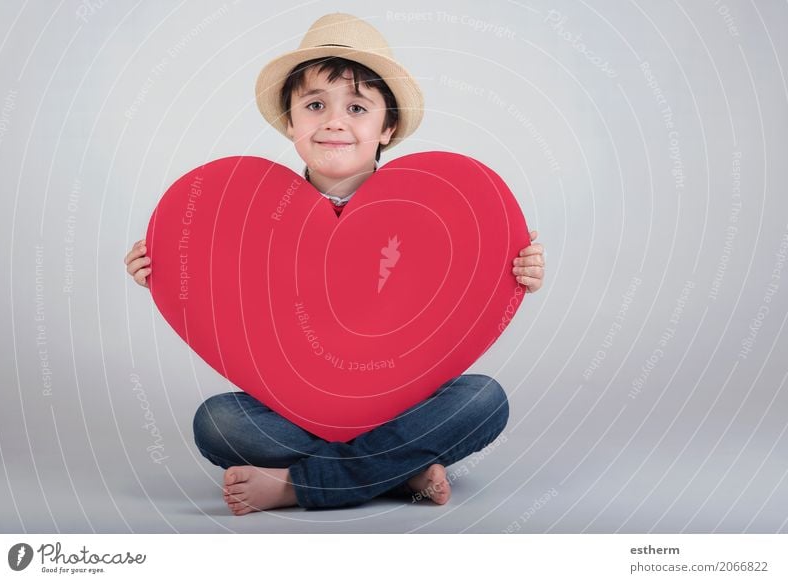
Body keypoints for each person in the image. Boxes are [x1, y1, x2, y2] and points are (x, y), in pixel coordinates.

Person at [123, 13, 545, 515]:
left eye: (358, 107)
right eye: (315, 105)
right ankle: (398, 470)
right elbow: (236, 300)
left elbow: (456, 295)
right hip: (302, 408)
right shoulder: (251, 214)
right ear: (290, 122)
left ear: (387, 127)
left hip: (402, 402)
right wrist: (168, 265)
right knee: (218, 423)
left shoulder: (431, 214)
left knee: (483, 401)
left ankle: (301, 485)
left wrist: (512, 272)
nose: (334, 121)